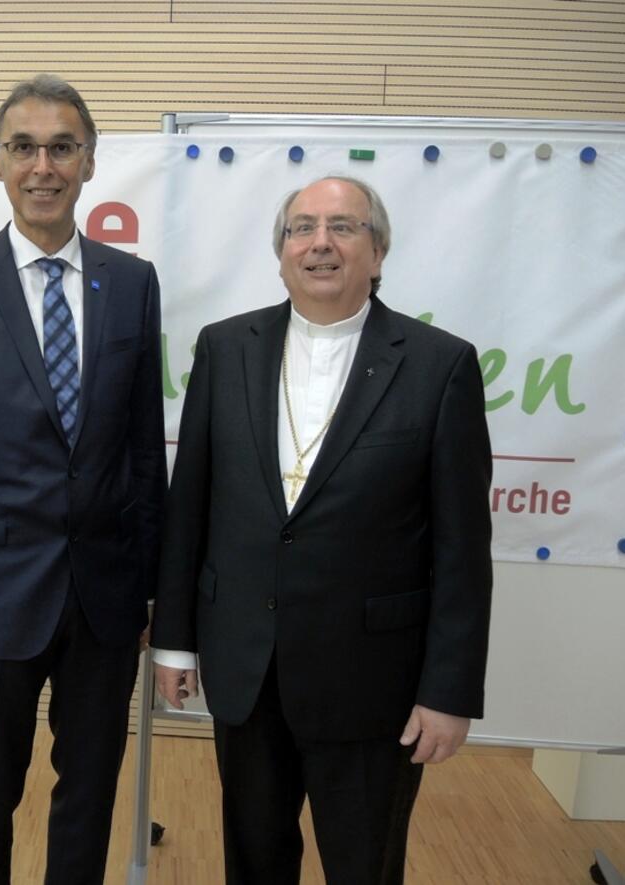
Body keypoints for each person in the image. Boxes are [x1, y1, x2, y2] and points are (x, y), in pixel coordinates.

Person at [151, 176, 493, 885]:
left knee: (364, 865)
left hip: (373, 681)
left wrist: (449, 689)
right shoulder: (225, 348)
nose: (320, 244)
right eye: (302, 227)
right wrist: (177, 641)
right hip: (246, 667)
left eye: (343, 227)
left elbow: (462, 549)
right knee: (254, 859)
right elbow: (192, 508)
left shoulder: (439, 364)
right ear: (280, 253)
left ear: (378, 250)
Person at [0, 74, 167, 884]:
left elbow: (142, 453)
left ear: (90, 162)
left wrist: (157, 593)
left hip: (105, 598)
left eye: (63, 147)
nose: (43, 165)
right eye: (23, 147)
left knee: (88, 792)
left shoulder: (131, 282)